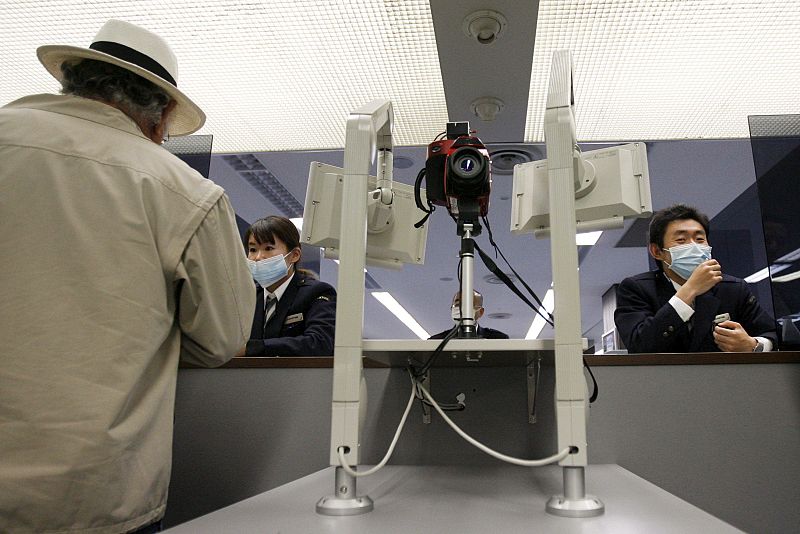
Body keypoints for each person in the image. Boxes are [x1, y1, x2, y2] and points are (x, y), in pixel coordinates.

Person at [0, 20, 255, 534]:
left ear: (72, 81)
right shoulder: (184, 192)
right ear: (160, 117)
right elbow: (222, 341)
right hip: (84, 494)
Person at [614, 204, 777, 353]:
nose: (694, 247)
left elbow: (774, 335)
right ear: (657, 251)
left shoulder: (732, 288)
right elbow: (639, 345)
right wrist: (689, 290)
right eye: (681, 240)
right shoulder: (636, 289)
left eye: (700, 239)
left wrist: (753, 345)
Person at [241, 216, 337, 356]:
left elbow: (319, 342)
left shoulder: (316, 293)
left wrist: (253, 348)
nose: (258, 257)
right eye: (253, 249)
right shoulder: (247, 297)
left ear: (294, 255)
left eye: (268, 248)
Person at [430, 289, 510, 339]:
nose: (462, 308)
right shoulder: (437, 341)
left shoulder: (497, 339)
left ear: (480, 312)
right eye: (457, 304)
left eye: (468, 305)